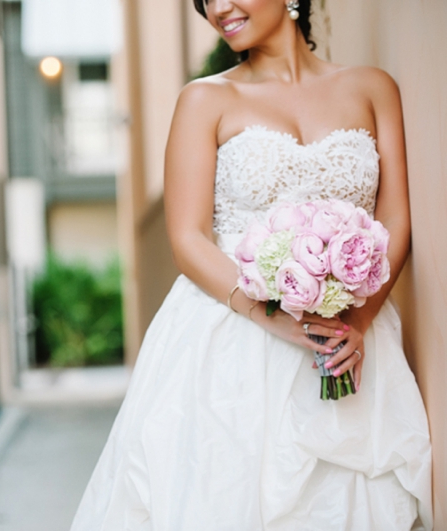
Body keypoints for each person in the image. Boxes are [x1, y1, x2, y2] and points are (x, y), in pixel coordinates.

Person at [71, 1, 432, 529]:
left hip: (349, 339)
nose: (219, 8)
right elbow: (188, 239)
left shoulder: (373, 88)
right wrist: (279, 320)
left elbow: (395, 220)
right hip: (229, 340)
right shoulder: (204, 99)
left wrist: (356, 321)